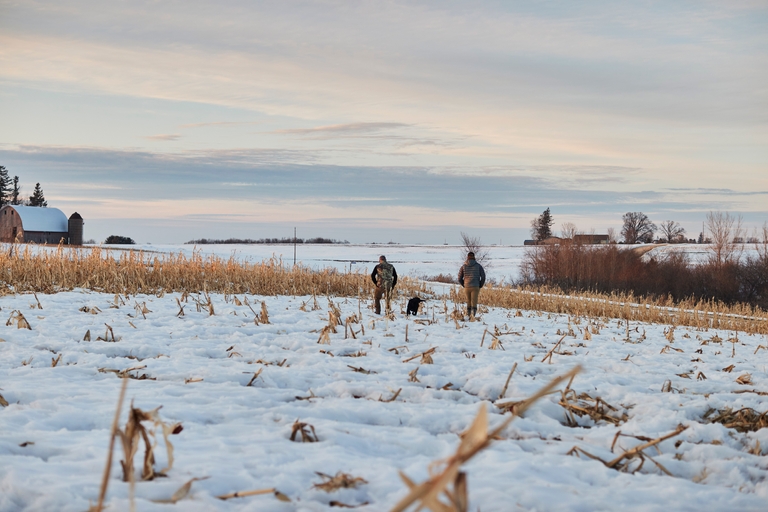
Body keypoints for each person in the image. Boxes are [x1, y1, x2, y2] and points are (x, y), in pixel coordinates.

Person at [458, 252, 485, 319]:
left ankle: (468, 315)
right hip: (475, 286)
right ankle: (473, 316)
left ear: (467, 257)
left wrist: (464, 284)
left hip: (467, 286)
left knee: (468, 301)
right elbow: (483, 276)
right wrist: (480, 285)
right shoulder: (478, 266)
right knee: (474, 301)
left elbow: (459, 278)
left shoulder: (463, 266)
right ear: (474, 257)